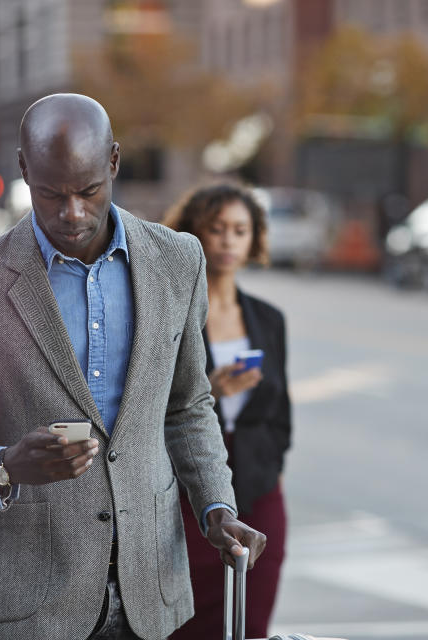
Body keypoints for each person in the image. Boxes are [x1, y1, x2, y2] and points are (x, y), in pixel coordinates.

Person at [0, 94, 266, 640]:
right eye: (51, 194)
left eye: (89, 190)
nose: (72, 212)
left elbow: (187, 406)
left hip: (153, 595)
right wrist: (6, 466)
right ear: (24, 169)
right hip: (31, 606)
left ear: (115, 163)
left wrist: (217, 504)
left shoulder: (179, 260)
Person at [164, 183, 292, 640]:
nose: (227, 241)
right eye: (215, 229)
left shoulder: (268, 319)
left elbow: (281, 417)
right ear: (191, 234)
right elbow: (158, 409)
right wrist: (209, 394)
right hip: (188, 496)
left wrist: (265, 467)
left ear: (254, 238)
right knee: (186, 627)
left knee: (252, 627)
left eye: (240, 230)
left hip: (258, 491)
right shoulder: (172, 313)